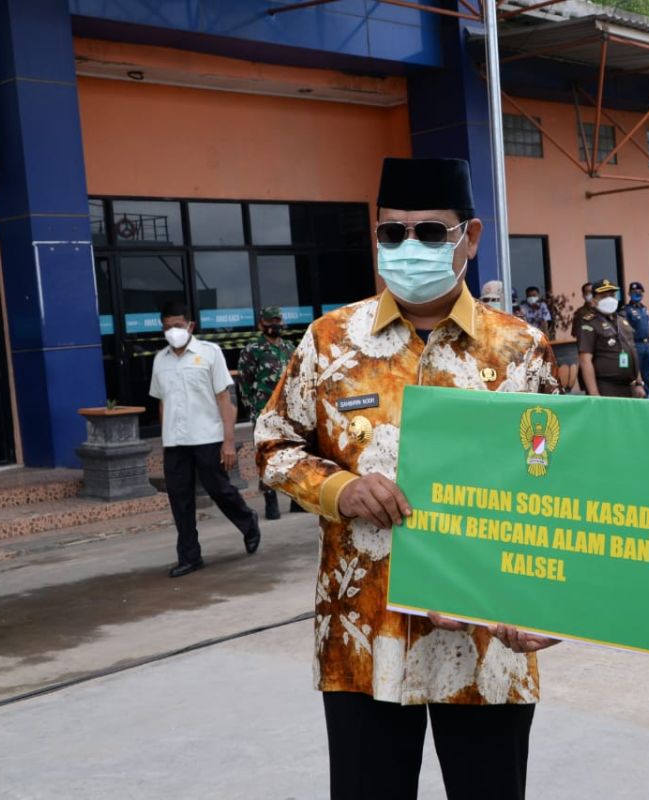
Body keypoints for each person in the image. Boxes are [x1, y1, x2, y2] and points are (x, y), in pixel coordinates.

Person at [255, 157, 558, 800]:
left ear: (469, 238)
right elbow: (272, 445)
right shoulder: (330, 340)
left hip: (487, 643)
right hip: (366, 637)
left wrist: (552, 603)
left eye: (429, 232)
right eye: (392, 233)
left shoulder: (520, 348)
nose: (408, 247)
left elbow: (556, 488)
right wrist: (339, 488)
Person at [150, 301, 261, 577]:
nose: (172, 332)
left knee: (219, 489)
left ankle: (248, 522)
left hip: (207, 437)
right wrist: (165, 443)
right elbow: (162, 403)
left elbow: (225, 399)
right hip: (175, 443)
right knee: (180, 498)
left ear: (190, 326)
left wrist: (228, 441)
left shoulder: (210, 353)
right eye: (167, 327)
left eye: (177, 326)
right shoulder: (160, 360)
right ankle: (189, 556)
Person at [238, 306, 297, 519]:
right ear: (261, 324)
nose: (275, 325)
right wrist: (254, 408)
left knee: (293, 452)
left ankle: (295, 498)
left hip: (290, 412)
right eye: (270, 321)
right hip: (264, 412)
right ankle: (270, 500)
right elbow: (244, 382)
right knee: (266, 455)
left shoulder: (289, 347)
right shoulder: (253, 349)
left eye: (277, 320)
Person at [576, 280, 646, 398]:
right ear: (593, 301)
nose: (609, 299)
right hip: (606, 387)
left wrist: (638, 382)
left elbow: (632, 351)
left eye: (612, 295)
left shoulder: (621, 320)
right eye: (603, 296)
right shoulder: (589, 323)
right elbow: (585, 360)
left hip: (629, 387)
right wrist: (594, 393)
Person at [621, 280, 649, 391]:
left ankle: (647, 396)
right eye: (634, 291)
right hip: (636, 345)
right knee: (636, 375)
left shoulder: (644, 309)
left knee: (647, 374)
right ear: (629, 294)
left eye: (640, 292)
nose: (637, 294)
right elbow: (624, 331)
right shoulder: (626, 310)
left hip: (647, 345)